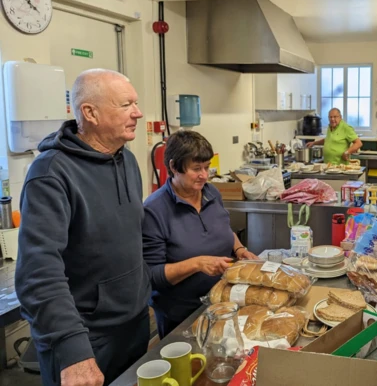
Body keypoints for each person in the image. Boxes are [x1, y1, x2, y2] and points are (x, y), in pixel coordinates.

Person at [15, 69, 150, 386]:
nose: (138, 112)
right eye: (126, 104)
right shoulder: (50, 174)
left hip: (133, 325)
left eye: (136, 103)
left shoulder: (126, 160)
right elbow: (38, 273)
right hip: (86, 338)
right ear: (90, 112)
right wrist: (72, 348)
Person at [142, 130, 259, 338]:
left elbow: (222, 228)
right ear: (173, 167)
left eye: (207, 167)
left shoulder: (210, 192)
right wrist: (198, 263)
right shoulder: (154, 210)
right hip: (182, 316)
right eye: (196, 169)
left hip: (221, 302)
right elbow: (152, 275)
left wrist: (239, 249)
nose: (204, 175)